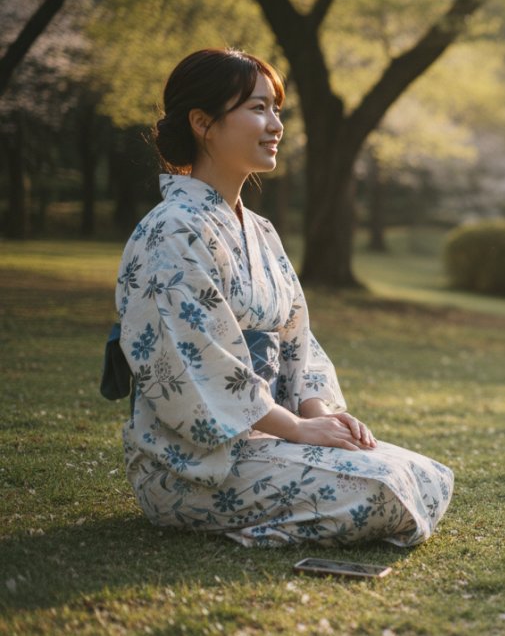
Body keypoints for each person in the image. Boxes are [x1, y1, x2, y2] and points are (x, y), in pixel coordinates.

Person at [113, 48, 453, 547]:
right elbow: (194, 364)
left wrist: (318, 414)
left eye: (277, 109)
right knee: (383, 489)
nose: (276, 125)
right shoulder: (171, 231)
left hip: (268, 439)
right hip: (195, 463)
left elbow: (298, 340)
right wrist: (293, 427)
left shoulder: (261, 230)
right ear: (203, 123)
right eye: (258, 108)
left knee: (427, 476)